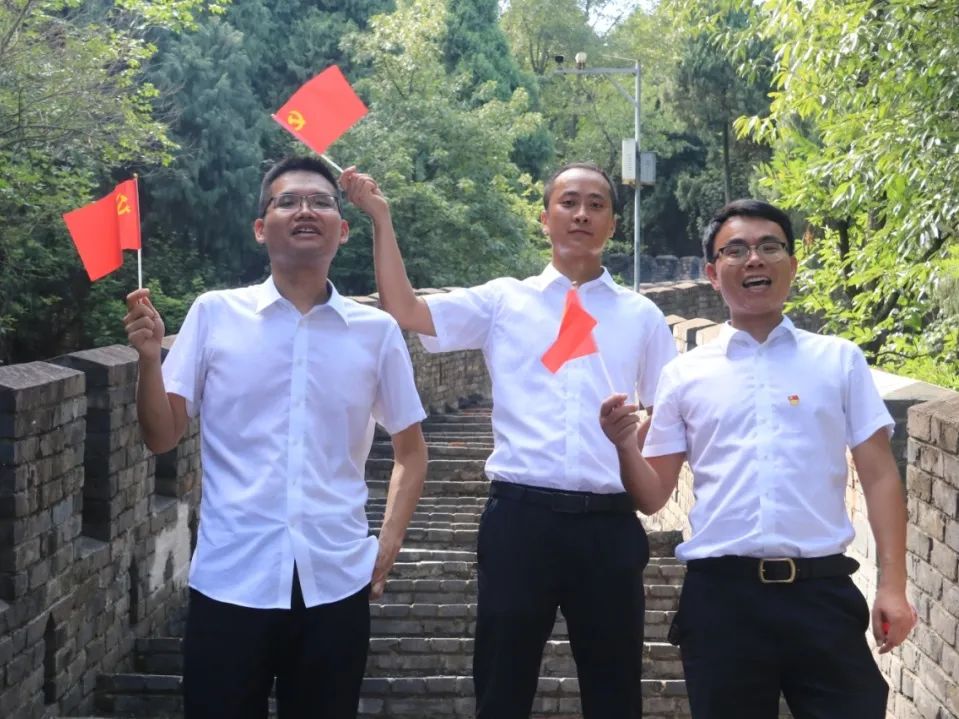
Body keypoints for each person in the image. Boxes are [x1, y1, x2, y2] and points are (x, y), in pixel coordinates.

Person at [340, 161, 677, 719]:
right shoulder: (504, 301)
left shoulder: (641, 316)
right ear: (545, 218)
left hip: (608, 524)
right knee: (501, 686)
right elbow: (406, 310)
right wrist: (381, 218)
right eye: (569, 202)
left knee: (615, 691)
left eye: (596, 205)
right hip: (521, 521)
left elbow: (665, 417)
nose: (582, 214)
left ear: (613, 224)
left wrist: (630, 445)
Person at [122, 156, 428, 719]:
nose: (305, 210)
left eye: (321, 202)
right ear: (262, 229)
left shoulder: (376, 332)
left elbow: (411, 450)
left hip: (335, 580)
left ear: (343, 229)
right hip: (231, 578)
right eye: (288, 201)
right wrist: (147, 359)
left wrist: (387, 543)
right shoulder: (215, 314)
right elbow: (161, 436)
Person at [599, 198, 916, 719]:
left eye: (770, 246)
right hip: (722, 601)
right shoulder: (684, 374)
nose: (754, 259)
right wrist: (623, 445)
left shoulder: (838, 360)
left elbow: (880, 476)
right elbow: (653, 496)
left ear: (792, 264)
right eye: (736, 250)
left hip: (822, 593)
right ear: (712, 272)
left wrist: (893, 587)